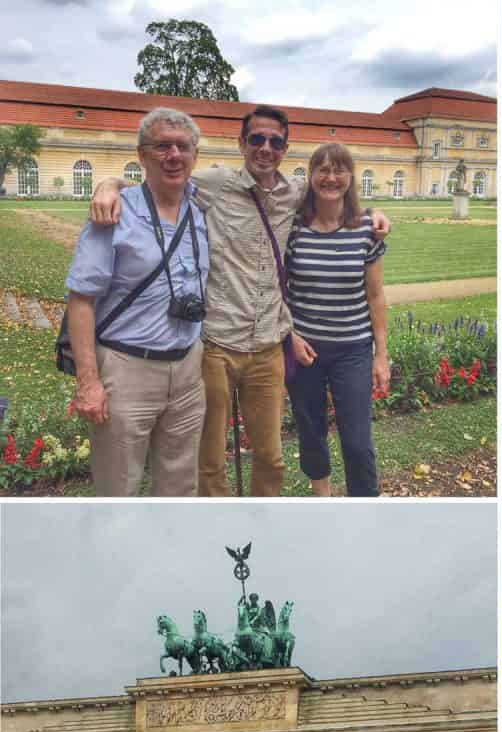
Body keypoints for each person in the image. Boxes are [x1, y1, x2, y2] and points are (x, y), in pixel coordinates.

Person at [90, 104, 391, 496]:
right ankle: (220, 528)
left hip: (267, 347)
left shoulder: (294, 193)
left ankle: (259, 526)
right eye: (257, 139)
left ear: (285, 148)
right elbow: (162, 180)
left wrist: (375, 213)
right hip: (217, 344)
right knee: (210, 459)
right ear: (242, 143)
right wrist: (110, 184)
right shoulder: (215, 184)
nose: (266, 148)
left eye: (275, 141)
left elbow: (335, 193)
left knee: (271, 458)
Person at [66, 107, 208, 496]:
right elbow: (80, 299)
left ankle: (170, 556)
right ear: (142, 155)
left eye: (182, 147)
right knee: (119, 488)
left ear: (195, 155)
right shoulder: (114, 213)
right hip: (127, 370)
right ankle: (118, 557)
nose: (174, 155)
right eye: (162, 146)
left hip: (187, 370)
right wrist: (89, 382)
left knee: (180, 486)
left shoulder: (199, 209)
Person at [284, 143, 389, 496]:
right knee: (311, 432)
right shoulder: (294, 228)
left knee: (358, 441)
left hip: (352, 350)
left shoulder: (366, 228)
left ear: (350, 177)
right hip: (305, 350)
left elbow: (375, 295)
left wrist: (381, 355)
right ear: (311, 176)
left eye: (339, 170)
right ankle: (323, 500)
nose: (331, 178)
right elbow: (280, 291)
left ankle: (364, 505)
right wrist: (291, 336)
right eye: (323, 170)